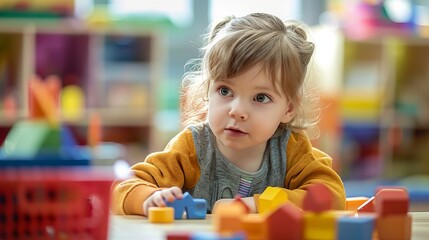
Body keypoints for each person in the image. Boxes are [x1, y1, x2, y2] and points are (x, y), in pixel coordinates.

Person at [111, 12, 346, 216]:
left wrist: (258, 204)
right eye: (225, 91)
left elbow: (331, 196)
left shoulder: (291, 149)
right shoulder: (193, 147)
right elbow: (124, 187)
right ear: (208, 91)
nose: (237, 111)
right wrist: (148, 199)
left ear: (288, 109)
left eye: (261, 97)